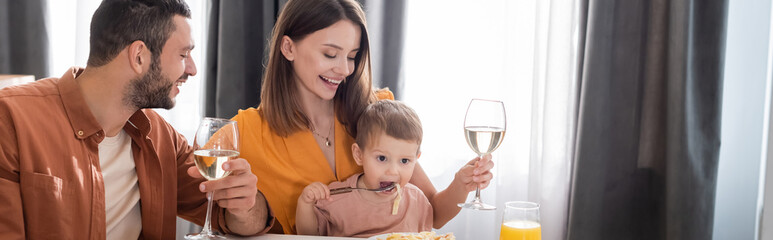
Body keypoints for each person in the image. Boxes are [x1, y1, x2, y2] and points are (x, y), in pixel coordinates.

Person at [0, 0, 271, 239]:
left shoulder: (162, 139)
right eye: (183, 54)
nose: (192, 69)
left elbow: (228, 218)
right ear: (139, 56)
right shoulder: (11, 119)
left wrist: (245, 205)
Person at [231, 0, 494, 234]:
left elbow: (433, 214)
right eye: (330, 54)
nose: (344, 69)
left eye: (353, 57)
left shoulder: (377, 112)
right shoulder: (247, 130)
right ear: (288, 48)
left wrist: (462, 183)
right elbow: (196, 183)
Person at [296, 100, 431, 237]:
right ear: (359, 155)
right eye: (382, 158)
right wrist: (305, 203)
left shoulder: (417, 201)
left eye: (404, 161)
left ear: (416, 159)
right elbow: (308, 235)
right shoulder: (336, 198)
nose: (393, 171)